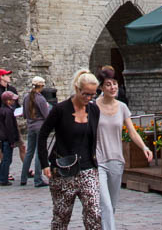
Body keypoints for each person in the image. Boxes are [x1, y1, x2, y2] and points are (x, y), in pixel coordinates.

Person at [38, 70, 102, 230]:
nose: (88, 98)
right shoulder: (60, 110)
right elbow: (42, 135)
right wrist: (44, 163)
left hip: (88, 168)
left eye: (93, 95)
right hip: (63, 170)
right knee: (61, 217)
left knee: (94, 213)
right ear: (77, 88)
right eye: (86, 94)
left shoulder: (94, 111)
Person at [95, 74, 150, 230]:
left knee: (111, 205)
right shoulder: (93, 107)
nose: (113, 87)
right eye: (108, 85)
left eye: (115, 84)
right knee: (104, 203)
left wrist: (144, 147)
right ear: (101, 88)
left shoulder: (122, 107)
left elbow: (132, 132)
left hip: (116, 161)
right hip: (99, 161)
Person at [21, 76, 51, 187]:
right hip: (40, 127)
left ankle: (23, 177)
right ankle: (38, 179)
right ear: (41, 86)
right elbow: (46, 115)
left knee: (29, 152)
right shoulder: (41, 99)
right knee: (39, 152)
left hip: (30, 127)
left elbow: (24, 114)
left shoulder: (26, 97)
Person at [0, 90, 20, 186]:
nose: (13, 102)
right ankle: (3, 179)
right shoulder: (8, 112)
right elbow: (9, 127)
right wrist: (12, 140)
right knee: (7, 159)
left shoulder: (2, 110)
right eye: (12, 100)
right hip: (7, 138)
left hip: (3, 137)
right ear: (8, 101)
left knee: (6, 158)